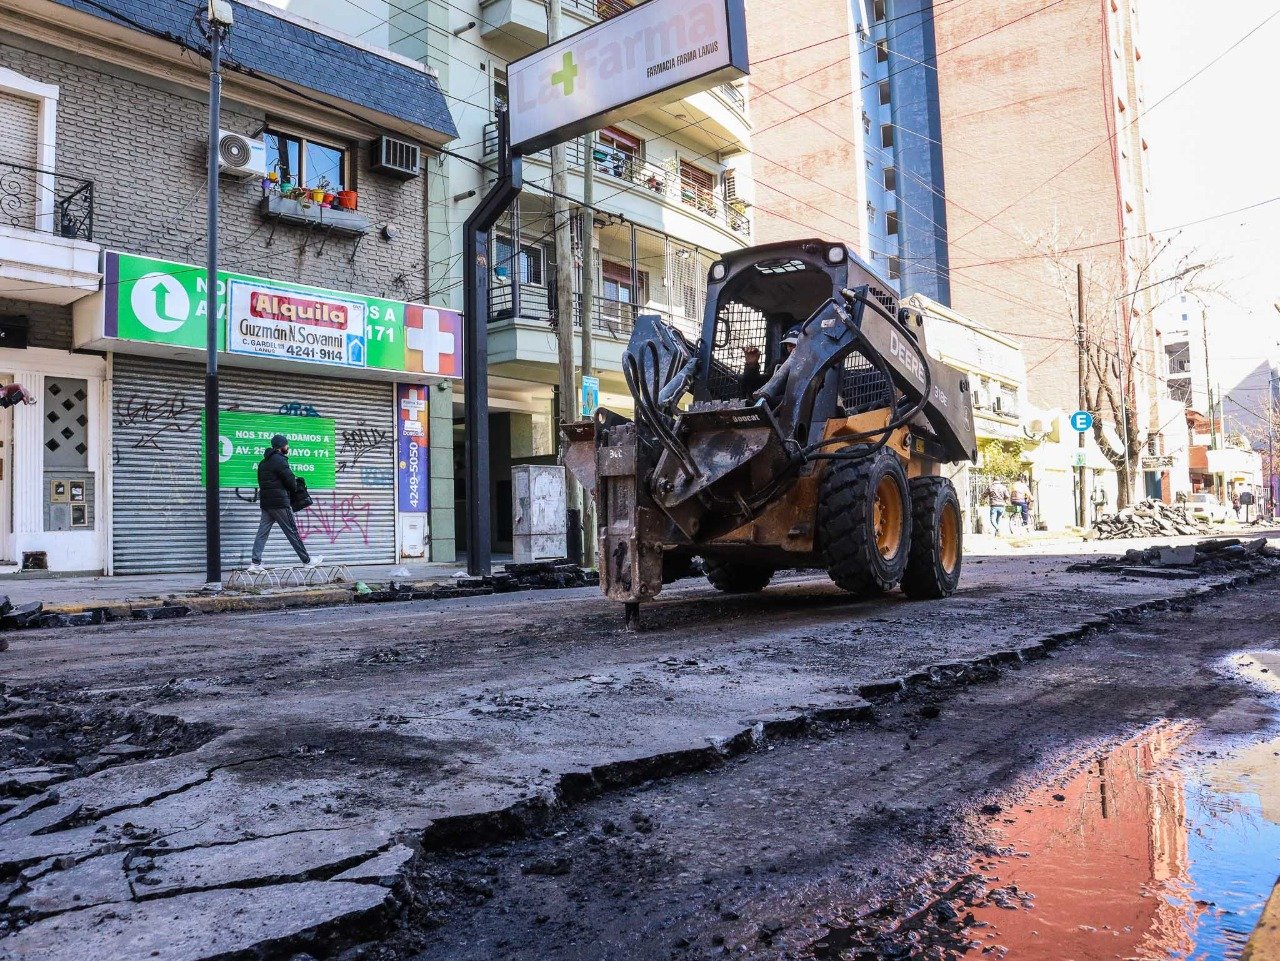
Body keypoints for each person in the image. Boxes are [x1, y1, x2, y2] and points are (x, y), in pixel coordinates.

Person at [248, 434, 320, 573]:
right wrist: (297, 483)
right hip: (280, 503)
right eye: (287, 445)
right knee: (292, 531)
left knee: (262, 533)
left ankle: (255, 563)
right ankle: (307, 561)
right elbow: (291, 482)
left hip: (267, 504)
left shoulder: (263, 463)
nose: (288, 447)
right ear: (282, 446)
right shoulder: (280, 460)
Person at [741, 326, 801, 396]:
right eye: (790, 346)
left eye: (797, 345)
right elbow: (756, 386)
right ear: (785, 347)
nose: (793, 350)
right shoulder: (778, 365)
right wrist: (751, 366)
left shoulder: (813, 368)